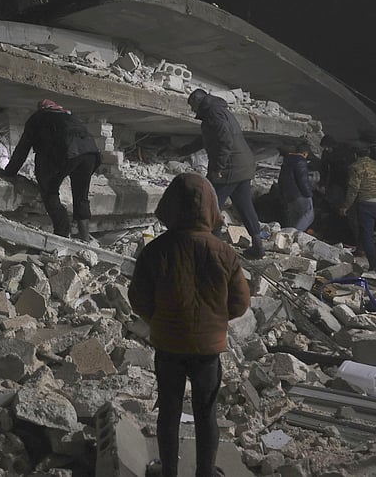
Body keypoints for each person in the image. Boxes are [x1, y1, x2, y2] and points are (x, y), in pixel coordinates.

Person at [128, 172, 250, 477]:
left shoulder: (155, 250)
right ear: (211, 208)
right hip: (208, 351)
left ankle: (168, 471)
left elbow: (138, 299)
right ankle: (205, 473)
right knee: (206, 413)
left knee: (168, 411)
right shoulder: (225, 253)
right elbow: (240, 304)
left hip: (168, 345)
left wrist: (159, 321)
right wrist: (213, 323)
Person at [1, 99, 100, 241]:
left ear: (41, 108)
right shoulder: (69, 116)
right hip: (90, 154)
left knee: (49, 190)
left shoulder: (37, 118)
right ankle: (85, 239)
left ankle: (62, 235)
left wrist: (9, 172)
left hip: (67, 151)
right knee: (81, 196)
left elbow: (23, 148)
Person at [183, 88, 265, 258]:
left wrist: (218, 168)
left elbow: (225, 141)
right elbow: (205, 139)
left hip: (230, 168)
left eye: (192, 106)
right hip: (243, 166)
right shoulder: (219, 111)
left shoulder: (213, 114)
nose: (192, 110)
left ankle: (214, 250)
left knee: (210, 205)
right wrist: (180, 151)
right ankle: (258, 246)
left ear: (199, 102)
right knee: (244, 206)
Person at [339, 144, 376, 272]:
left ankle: (374, 265)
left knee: (367, 234)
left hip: (367, 204)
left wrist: (345, 206)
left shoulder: (355, 167)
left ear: (355, 155)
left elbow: (353, 189)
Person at [278, 141, 314, 232]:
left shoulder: (286, 161)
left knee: (294, 217)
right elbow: (303, 180)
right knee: (308, 214)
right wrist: (309, 194)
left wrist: (283, 195)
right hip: (299, 194)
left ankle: (285, 235)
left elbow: (281, 180)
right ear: (305, 153)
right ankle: (294, 234)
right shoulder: (300, 161)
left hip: (289, 195)